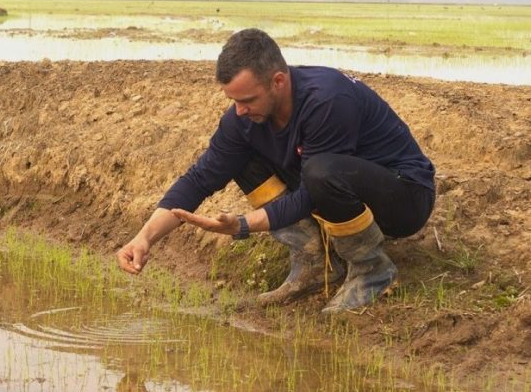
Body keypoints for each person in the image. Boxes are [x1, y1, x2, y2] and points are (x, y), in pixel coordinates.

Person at [116, 28, 435, 313]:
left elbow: (313, 190)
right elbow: (200, 179)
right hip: (333, 188)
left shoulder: (327, 100)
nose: (240, 110)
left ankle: (372, 269)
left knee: (322, 172)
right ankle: (314, 260)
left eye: (248, 100)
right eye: (233, 101)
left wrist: (243, 225)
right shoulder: (243, 118)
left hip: (403, 197)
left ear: (278, 81)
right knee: (243, 160)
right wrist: (144, 239)